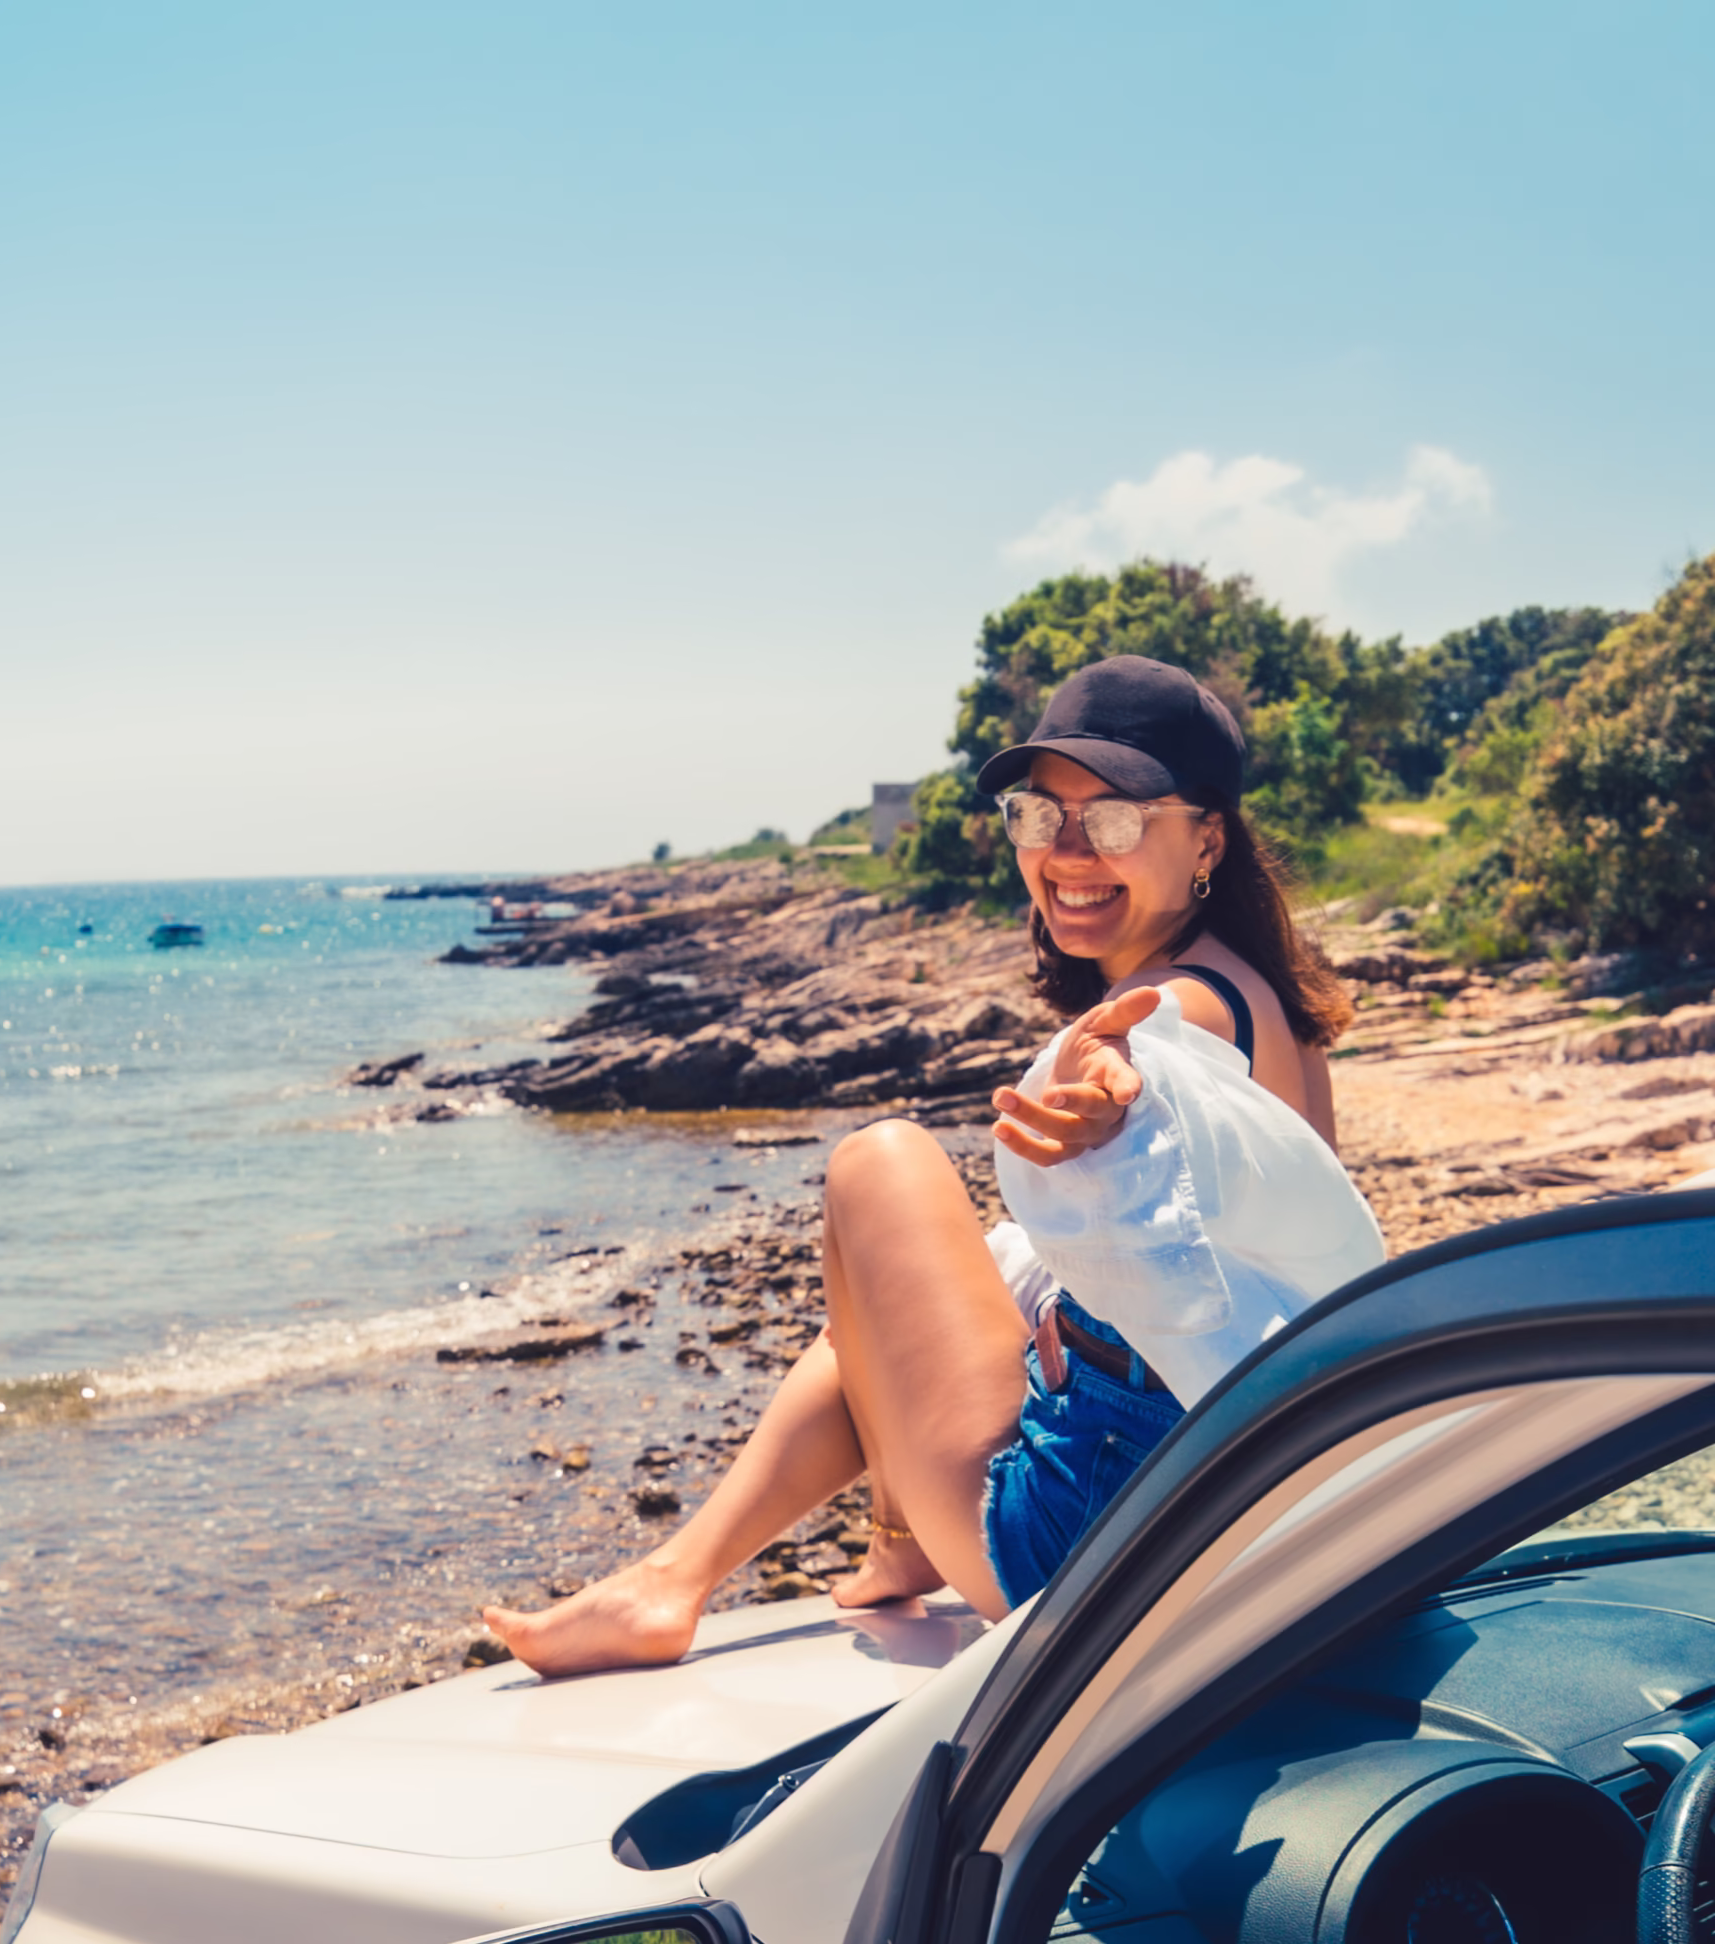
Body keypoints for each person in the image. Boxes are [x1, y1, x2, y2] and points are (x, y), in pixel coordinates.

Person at [482, 656, 1384, 1679]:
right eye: (1044, 816)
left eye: (1120, 819)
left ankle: (860, 1544)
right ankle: (692, 1577)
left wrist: (1115, 1109)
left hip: (1090, 1547)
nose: (1070, 851)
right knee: (929, 1289)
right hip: (1213, 1511)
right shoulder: (1274, 1004)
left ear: (1206, 837)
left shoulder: (1178, 1008)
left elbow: (1168, 1069)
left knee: (880, 1163)